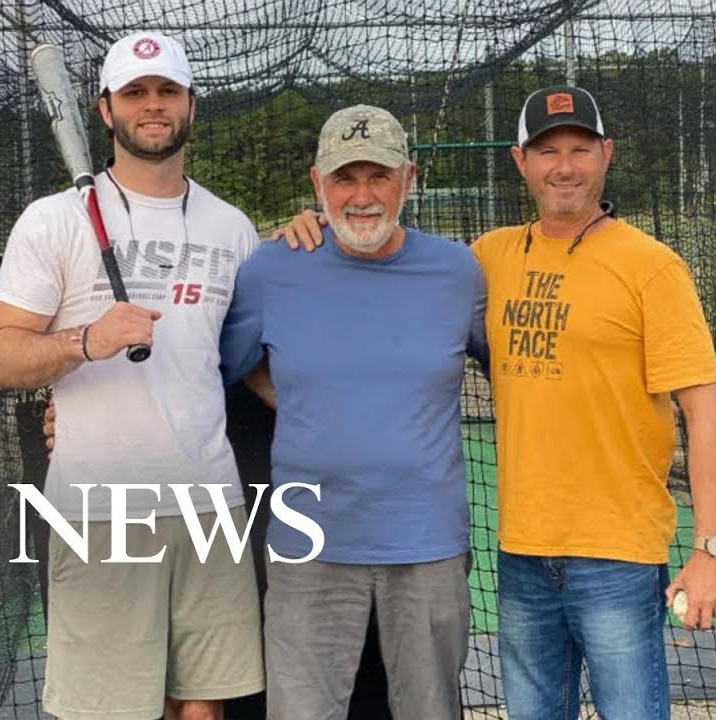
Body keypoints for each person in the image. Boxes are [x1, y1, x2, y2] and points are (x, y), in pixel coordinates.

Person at [279, 86, 716, 719]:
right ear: (521, 161)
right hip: (521, 553)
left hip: (619, 553)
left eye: (580, 149)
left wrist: (711, 548)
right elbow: (390, 262)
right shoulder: (488, 259)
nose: (565, 166)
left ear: (607, 154)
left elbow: (705, 407)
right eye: (547, 151)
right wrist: (318, 225)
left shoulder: (651, 267)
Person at [0, 31, 263, 720]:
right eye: (135, 93)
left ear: (191, 104)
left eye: (167, 90)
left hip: (209, 505)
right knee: (113, 711)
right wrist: (86, 339)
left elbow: (246, 364)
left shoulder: (233, 229)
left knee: (202, 707)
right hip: (101, 512)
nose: (153, 105)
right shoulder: (53, 222)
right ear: (105, 111)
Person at [218, 104, 488, 720]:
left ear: (409, 179)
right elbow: (213, 373)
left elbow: (520, 371)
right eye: (345, 178)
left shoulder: (457, 272)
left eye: (379, 176)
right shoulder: (272, 269)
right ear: (318, 184)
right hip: (308, 545)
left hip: (427, 546)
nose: (362, 196)